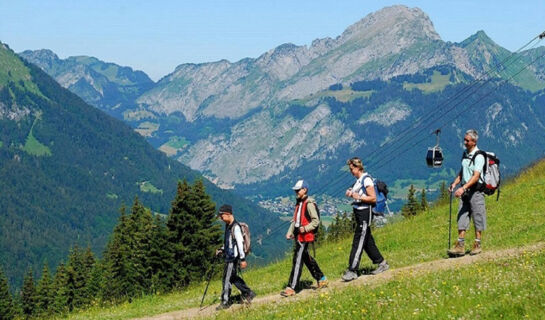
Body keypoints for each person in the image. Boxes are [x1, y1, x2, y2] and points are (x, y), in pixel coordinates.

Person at [342, 157, 389, 281]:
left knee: (358, 241)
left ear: (358, 168)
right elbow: (358, 193)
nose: (351, 171)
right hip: (359, 212)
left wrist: (358, 196)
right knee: (367, 240)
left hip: (365, 213)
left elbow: (372, 198)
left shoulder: (366, 180)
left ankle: (352, 270)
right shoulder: (359, 180)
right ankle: (382, 263)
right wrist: (351, 192)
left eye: (352, 169)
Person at [280, 179, 328, 297]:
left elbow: (316, 221)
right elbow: (295, 220)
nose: (296, 192)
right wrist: (290, 231)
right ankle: (321, 278)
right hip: (298, 236)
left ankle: (291, 287)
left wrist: (305, 228)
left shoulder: (309, 203)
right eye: (295, 190)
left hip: (305, 236)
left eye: (298, 190)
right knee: (306, 258)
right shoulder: (299, 202)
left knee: (297, 261)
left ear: (305, 190)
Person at [448, 129, 487, 257]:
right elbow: (462, 171)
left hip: (476, 191)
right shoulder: (465, 153)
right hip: (465, 191)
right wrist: (454, 184)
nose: (464, 142)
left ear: (474, 142)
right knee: (462, 216)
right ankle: (460, 245)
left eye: (467, 140)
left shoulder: (479, 156)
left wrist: (463, 188)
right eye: (465, 139)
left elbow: (476, 176)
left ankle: (477, 244)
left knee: (477, 216)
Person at [215, 204, 255, 310]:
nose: (221, 218)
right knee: (233, 278)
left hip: (232, 258)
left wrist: (242, 259)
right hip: (229, 256)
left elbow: (240, 244)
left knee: (226, 279)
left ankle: (225, 302)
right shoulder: (228, 226)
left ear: (228, 214)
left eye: (222, 216)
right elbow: (229, 242)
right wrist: (222, 249)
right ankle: (248, 292)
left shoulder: (235, 227)